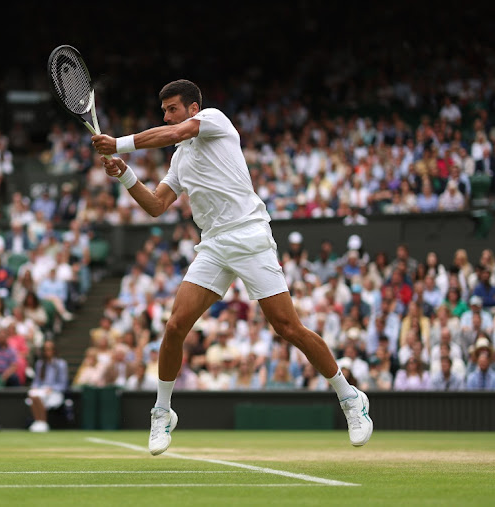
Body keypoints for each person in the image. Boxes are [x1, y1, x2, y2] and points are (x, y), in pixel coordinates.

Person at [92, 79, 372, 455]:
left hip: (250, 235)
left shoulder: (213, 119)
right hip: (213, 244)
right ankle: (162, 411)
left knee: (287, 326)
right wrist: (125, 173)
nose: (166, 115)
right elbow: (157, 205)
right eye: (163, 110)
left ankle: (350, 396)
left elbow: (176, 131)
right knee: (175, 326)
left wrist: (120, 142)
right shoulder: (180, 157)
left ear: (192, 108)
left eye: (172, 107)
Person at [26, 341, 68, 432]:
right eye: (45, 350)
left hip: (54, 392)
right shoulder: (40, 364)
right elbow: (36, 381)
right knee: (32, 394)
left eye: (49, 349)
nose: (47, 352)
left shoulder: (61, 364)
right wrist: (34, 387)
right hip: (42, 390)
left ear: (54, 351)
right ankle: (39, 421)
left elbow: (63, 384)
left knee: (38, 396)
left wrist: (52, 388)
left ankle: (43, 422)